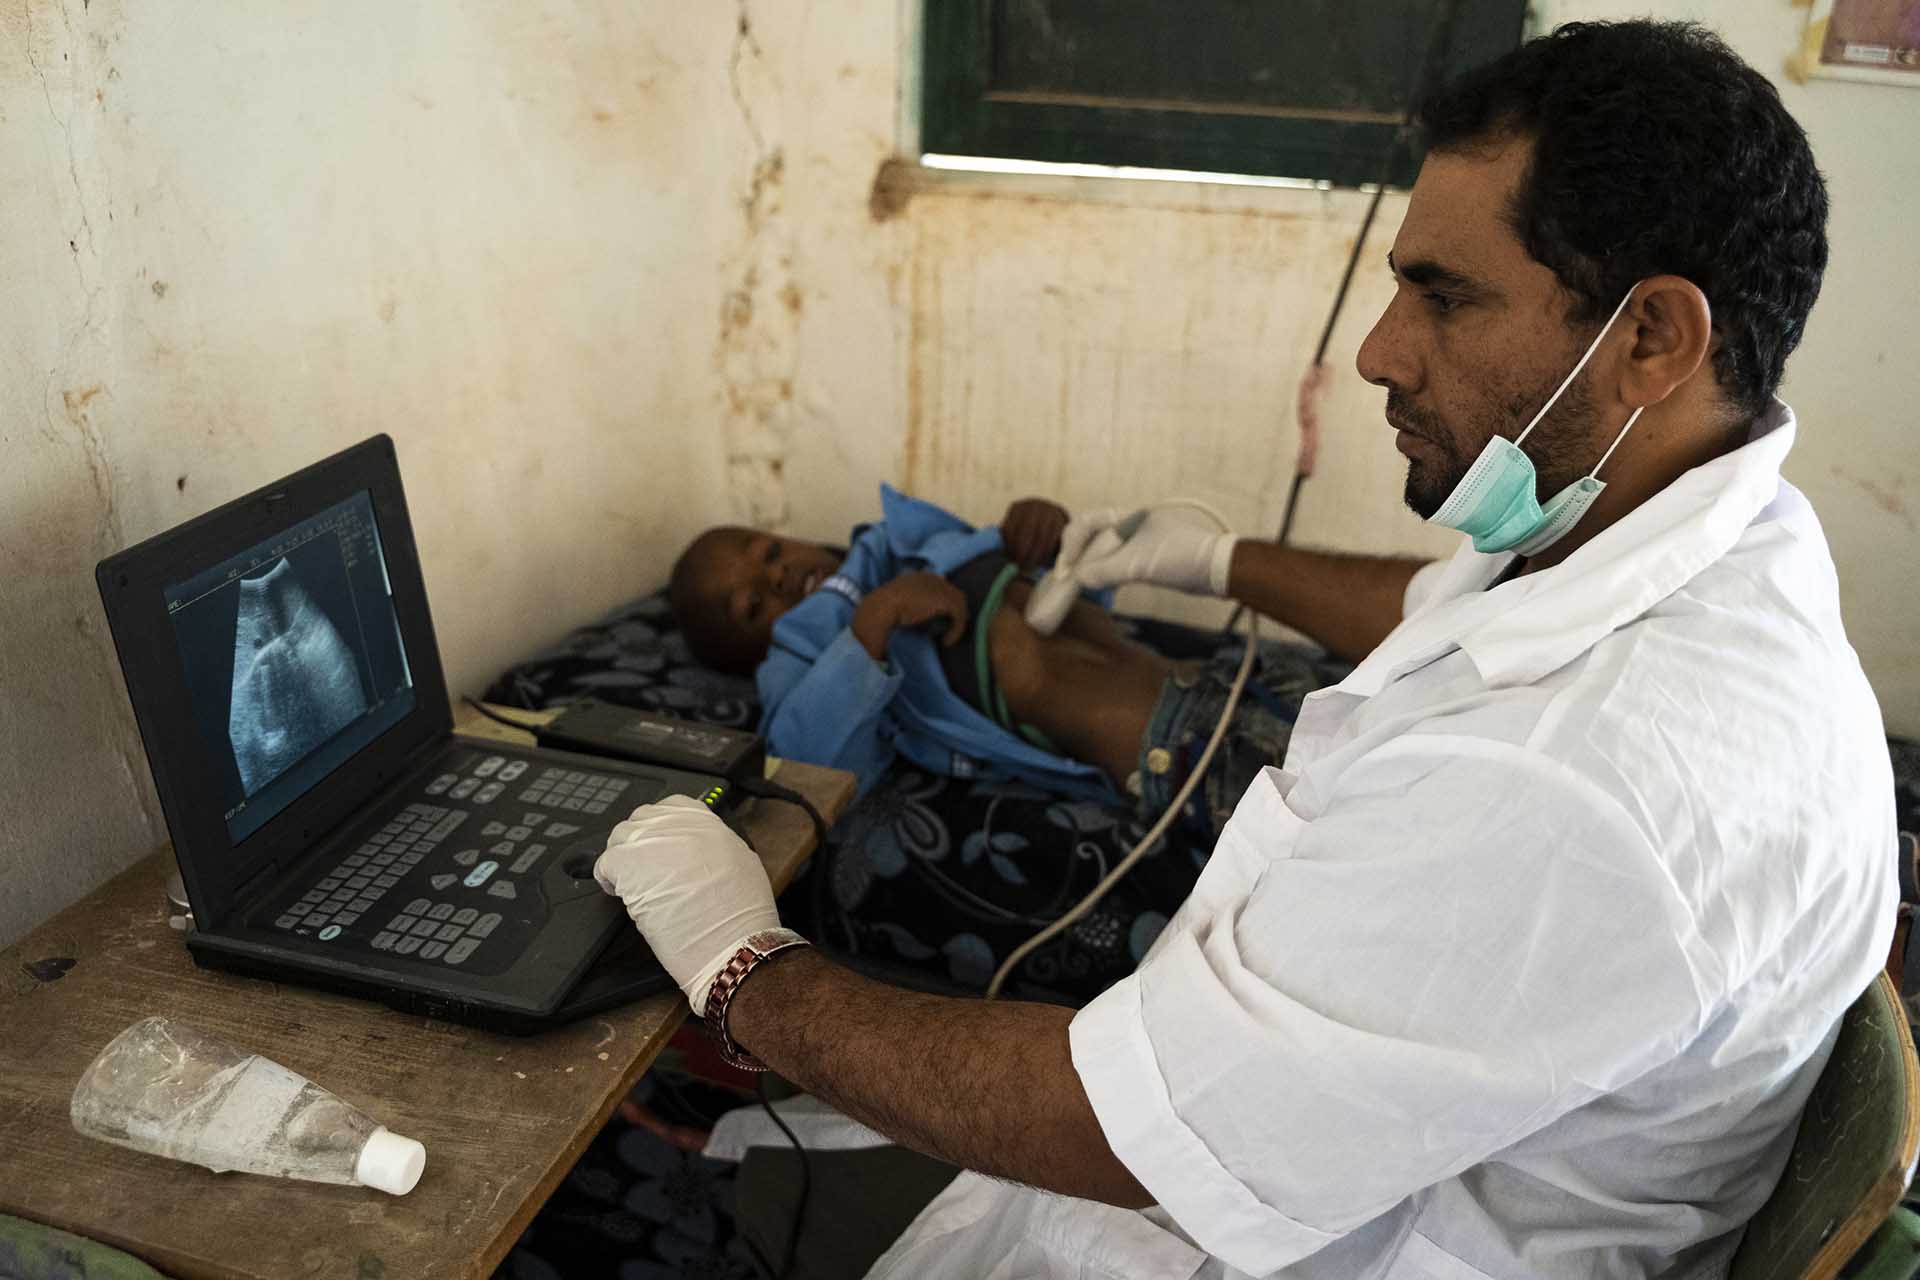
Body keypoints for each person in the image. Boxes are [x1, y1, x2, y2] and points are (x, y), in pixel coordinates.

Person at [595, 20, 1896, 1279]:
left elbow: (1141, 1138)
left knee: (722, 1190)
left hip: (1320, 1233)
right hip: (1368, 1133)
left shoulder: (1587, 790)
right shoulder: (1697, 538)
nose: (1380, 352)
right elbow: (1462, 609)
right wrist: (1216, 562)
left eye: (1443, 296)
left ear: (1651, 339)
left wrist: (743, 969)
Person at [667, 488, 1299, 835]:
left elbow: (1067, 583)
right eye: (754, 604)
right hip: (1166, 749)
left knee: (1370, 749)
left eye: (769, 551)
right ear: (745, 651)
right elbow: (801, 768)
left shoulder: (896, 542)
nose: (778, 576)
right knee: (1331, 825)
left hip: (1203, 680)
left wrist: (1036, 532)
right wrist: (871, 629)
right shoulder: (803, 658)